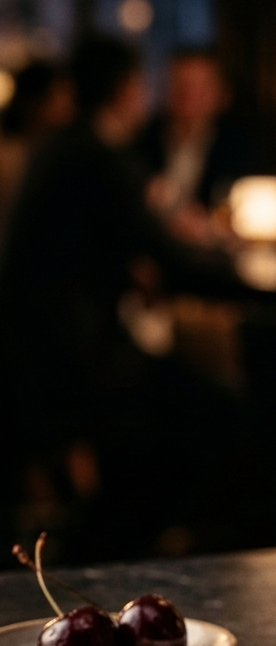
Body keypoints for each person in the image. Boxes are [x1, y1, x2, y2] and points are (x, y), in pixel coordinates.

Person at [0, 34, 244, 562]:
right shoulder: (100, 158)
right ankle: (111, 551)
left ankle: (110, 541)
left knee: (179, 414)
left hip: (36, 353)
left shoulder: (62, 148)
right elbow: (169, 256)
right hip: (74, 362)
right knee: (216, 412)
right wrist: (230, 260)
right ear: (125, 90)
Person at [135, 47, 257, 244]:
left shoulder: (239, 146)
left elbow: (249, 215)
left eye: (200, 87)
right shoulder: (141, 140)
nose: (189, 95)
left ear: (222, 93)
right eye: (180, 86)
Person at [0, 59, 74, 248]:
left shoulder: (49, 154)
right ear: (33, 103)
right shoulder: (10, 158)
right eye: (59, 95)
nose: (68, 105)